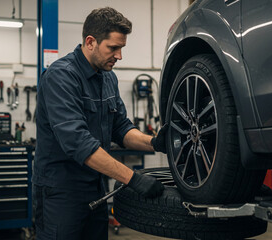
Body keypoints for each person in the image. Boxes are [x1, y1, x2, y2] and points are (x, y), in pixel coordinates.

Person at [33, 7, 167, 240]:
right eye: (113, 48)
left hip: (95, 186)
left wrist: (155, 142)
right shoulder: (61, 76)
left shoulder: (108, 78)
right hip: (61, 192)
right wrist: (133, 178)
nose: (119, 56)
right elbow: (78, 143)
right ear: (90, 41)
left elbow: (121, 127)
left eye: (121, 48)